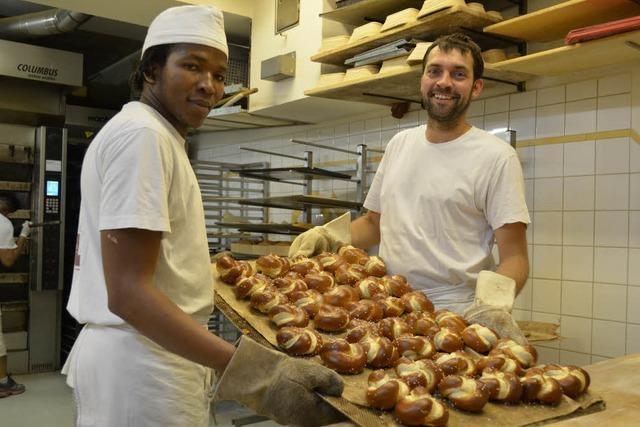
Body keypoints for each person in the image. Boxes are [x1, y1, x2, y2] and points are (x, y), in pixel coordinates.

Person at [62, 5, 344, 427]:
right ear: (152, 69)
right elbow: (128, 292)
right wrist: (257, 375)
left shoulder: (156, 136)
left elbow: (155, 270)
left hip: (154, 355)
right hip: (142, 365)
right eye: (192, 66)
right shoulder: (143, 138)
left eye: (218, 74)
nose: (209, 85)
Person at [290, 34, 530, 336]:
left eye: (458, 74)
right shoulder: (399, 144)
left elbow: (515, 258)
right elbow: (374, 223)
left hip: (454, 317)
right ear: (422, 81)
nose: (444, 82)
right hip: (387, 309)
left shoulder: (497, 157)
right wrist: (329, 236)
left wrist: (490, 307)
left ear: (476, 87)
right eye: (435, 71)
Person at [0, 194, 30, 397]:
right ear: (9, 210)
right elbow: (8, 259)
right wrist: (23, 236)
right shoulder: (3, 223)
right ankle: (3, 383)